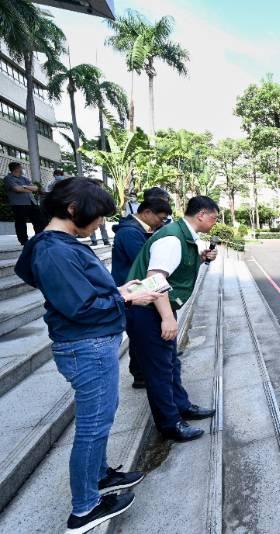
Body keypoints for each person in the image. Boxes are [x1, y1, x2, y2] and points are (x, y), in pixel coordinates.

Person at [14, 177, 161, 533]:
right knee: (93, 427)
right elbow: (79, 306)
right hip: (87, 345)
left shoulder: (55, 245)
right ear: (72, 209)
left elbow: (70, 290)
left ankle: (100, 475)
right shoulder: (55, 250)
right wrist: (125, 297)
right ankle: (84, 508)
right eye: (96, 218)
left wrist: (117, 290)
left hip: (91, 343)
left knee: (102, 416)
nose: (99, 226)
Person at [126, 196, 219, 442]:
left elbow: (175, 268)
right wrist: (167, 318)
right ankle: (170, 424)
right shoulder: (171, 239)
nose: (215, 222)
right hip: (147, 310)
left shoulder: (183, 235)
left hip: (156, 305)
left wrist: (202, 258)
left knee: (170, 363)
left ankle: (181, 405)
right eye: (214, 217)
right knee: (159, 369)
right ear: (201, 215)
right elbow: (154, 278)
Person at [111, 197, 173, 388]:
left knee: (138, 335)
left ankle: (140, 372)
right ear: (146, 213)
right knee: (138, 335)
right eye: (160, 218)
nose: (161, 223)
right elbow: (146, 262)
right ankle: (140, 374)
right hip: (132, 290)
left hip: (135, 289)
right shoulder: (130, 232)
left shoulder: (138, 229)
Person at [4, 161, 45, 245]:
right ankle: (24, 241)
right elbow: (16, 189)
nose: (22, 169)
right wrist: (29, 189)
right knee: (21, 223)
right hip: (18, 204)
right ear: (17, 169)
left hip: (31, 202)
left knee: (39, 221)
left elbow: (35, 188)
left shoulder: (24, 178)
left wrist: (24, 186)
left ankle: (40, 238)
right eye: (21, 167)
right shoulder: (8, 178)